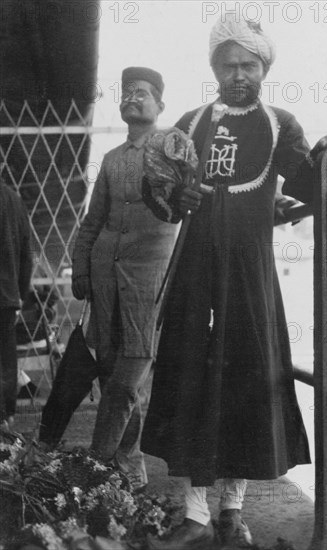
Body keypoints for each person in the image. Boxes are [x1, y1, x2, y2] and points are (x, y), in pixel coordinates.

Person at [141, 16, 327, 550]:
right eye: (228, 64)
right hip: (196, 271)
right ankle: (194, 515)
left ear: (264, 67)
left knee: (242, 381)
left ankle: (230, 514)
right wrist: (177, 198)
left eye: (249, 64)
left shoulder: (279, 122)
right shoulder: (189, 123)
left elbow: (310, 179)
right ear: (214, 67)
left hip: (249, 275)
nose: (238, 73)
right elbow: (160, 197)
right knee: (193, 377)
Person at [70, 67, 178, 485]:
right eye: (127, 93)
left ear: (160, 105)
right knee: (110, 371)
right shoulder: (113, 160)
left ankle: (95, 466)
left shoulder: (174, 149)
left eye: (143, 93)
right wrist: (81, 267)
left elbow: (202, 192)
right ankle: (130, 473)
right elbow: (92, 221)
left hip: (148, 283)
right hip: (103, 282)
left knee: (127, 382)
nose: (133, 98)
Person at [0, 178, 32, 431]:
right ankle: (7, 416)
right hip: (7, 295)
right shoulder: (14, 199)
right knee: (7, 359)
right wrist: (20, 292)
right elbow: (26, 250)